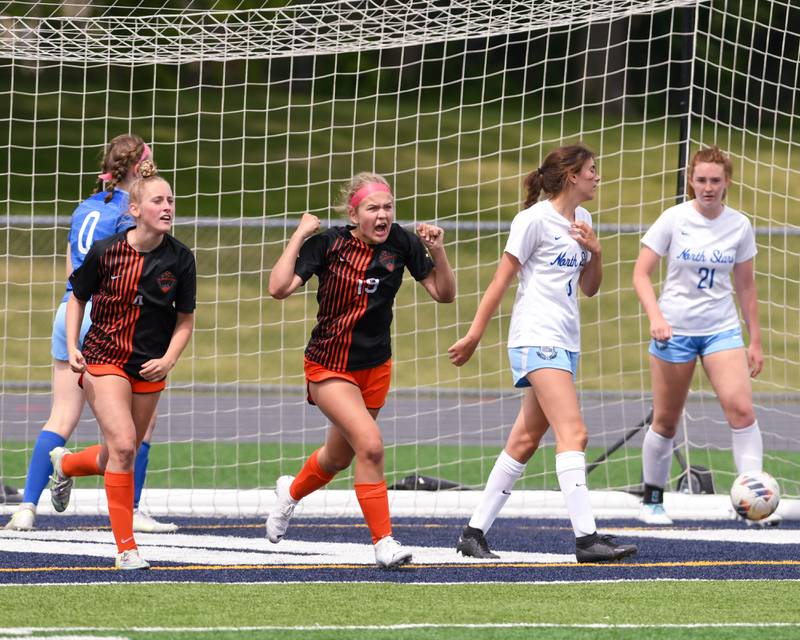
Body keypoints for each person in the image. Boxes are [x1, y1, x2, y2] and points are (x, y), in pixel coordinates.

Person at [448, 144, 638, 563]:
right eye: (592, 169)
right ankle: (587, 540)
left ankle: (473, 532)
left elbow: (590, 288)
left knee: (526, 439)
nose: (597, 176)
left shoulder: (583, 220)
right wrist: (474, 335)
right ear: (571, 175)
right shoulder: (532, 220)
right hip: (537, 336)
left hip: (566, 339)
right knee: (575, 433)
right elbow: (500, 281)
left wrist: (596, 251)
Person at [266, 172, 456, 569]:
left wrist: (437, 251)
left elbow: (444, 294)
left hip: (376, 367)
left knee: (337, 458)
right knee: (370, 445)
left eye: (388, 207)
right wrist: (300, 234)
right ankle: (383, 542)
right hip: (329, 365)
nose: (383, 215)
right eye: (373, 208)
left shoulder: (401, 241)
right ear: (354, 214)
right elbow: (278, 288)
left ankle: (291, 493)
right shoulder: (328, 244)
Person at [4, 135, 177, 534]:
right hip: (109, 317)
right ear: (137, 169)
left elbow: (72, 272)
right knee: (135, 428)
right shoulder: (131, 213)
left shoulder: (85, 207)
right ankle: (130, 509)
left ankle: (27, 507)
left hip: (70, 311)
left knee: (61, 416)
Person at [49, 167, 196, 570]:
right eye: (157, 201)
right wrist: (74, 343)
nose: (167, 207)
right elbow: (77, 296)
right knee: (126, 446)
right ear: (135, 210)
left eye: (170, 201)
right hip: (104, 358)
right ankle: (126, 549)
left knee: (117, 452)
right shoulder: (107, 251)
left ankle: (65, 463)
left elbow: (185, 320)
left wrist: (168, 360)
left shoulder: (181, 259)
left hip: (149, 367)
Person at [632, 146, 770, 526]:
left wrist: (754, 340)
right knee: (666, 420)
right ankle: (653, 499)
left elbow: (745, 286)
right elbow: (640, 274)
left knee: (741, 410)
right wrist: (656, 317)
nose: (708, 188)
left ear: (727, 182)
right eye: (701, 180)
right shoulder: (673, 219)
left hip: (720, 330)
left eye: (715, 181)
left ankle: (752, 501)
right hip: (674, 330)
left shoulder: (739, 225)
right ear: (691, 181)